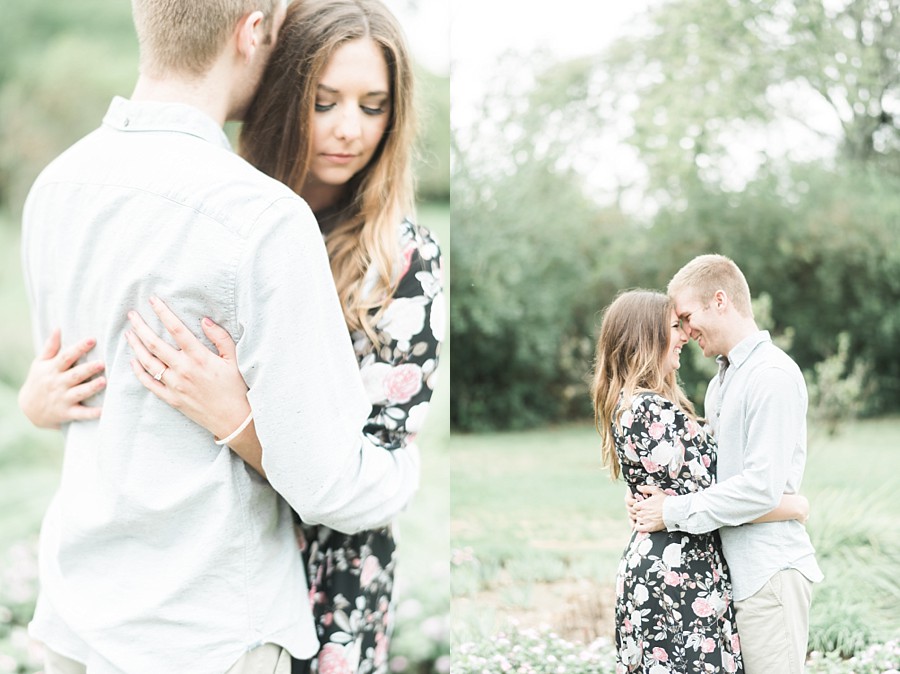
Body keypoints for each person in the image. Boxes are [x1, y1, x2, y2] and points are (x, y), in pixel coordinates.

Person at [18, 1, 443, 672]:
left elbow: (358, 474)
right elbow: (86, 381)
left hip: (319, 577)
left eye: (373, 106)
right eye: (323, 99)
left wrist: (241, 420)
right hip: (209, 613)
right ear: (265, 50)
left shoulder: (57, 185)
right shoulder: (259, 214)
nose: (347, 129)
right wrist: (36, 402)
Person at [591, 289, 809, 673]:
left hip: (682, 571)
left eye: (684, 322)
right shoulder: (647, 410)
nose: (685, 335)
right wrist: (792, 505)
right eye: (675, 326)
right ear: (647, 336)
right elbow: (724, 490)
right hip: (676, 578)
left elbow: (697, 491)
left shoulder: (648, 405)